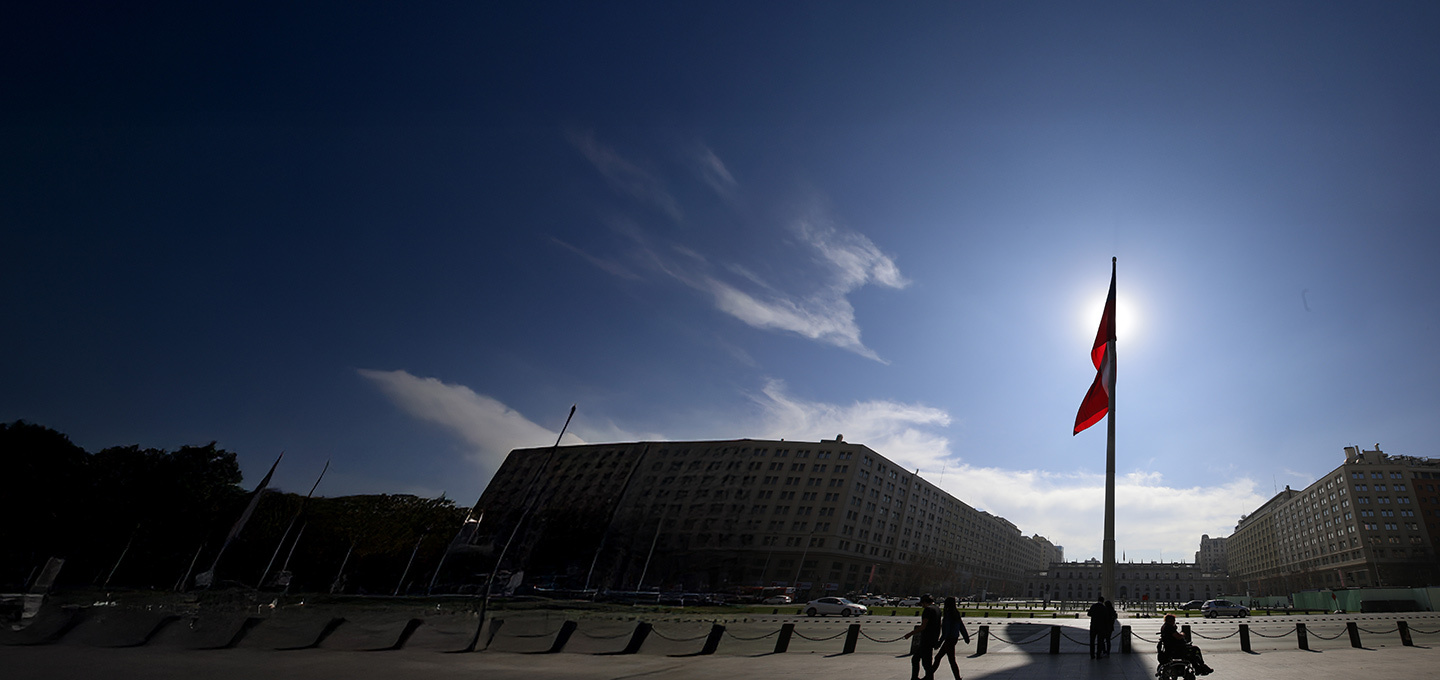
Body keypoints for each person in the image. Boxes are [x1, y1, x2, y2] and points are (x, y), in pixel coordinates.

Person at [902, 594, 941, 680]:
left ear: (924, 602)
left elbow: (923, 626)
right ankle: (915, 677)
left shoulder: (928, 610)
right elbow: (939, 625)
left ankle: (927, 678)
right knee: (916, 659)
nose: (922, 606)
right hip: (933, 638)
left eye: (922, 603)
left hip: (926, 639)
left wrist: (910, 634)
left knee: (926, 663)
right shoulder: (937, 609)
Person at [931, 596, 969, 680]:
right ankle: (928, 676)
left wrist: (940, 642)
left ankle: (957, 678)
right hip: (954, 638)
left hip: (949, 639)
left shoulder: (948, 614)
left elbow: (946, 631)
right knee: (940, 658)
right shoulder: (956, 613)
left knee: (950, 660)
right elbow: (961, 626)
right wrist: (966, 637)